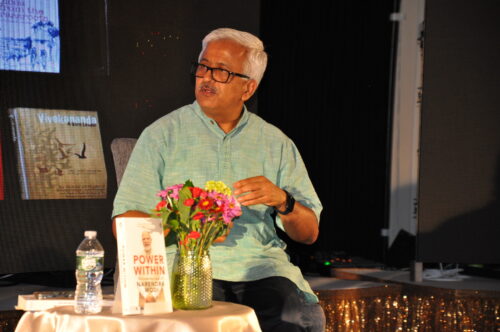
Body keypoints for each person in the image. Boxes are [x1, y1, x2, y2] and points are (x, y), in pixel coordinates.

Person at [113, 27, 325, 332]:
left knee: (296, 318)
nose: (207, 77)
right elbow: (125, 222)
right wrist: (190, 230)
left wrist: (283, 200)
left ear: (248, 88)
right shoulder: (161, 135)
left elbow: (308, 234)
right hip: (186, 270)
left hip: (260, 271)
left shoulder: (276, 143)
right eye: (203, 66)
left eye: (222, 71)